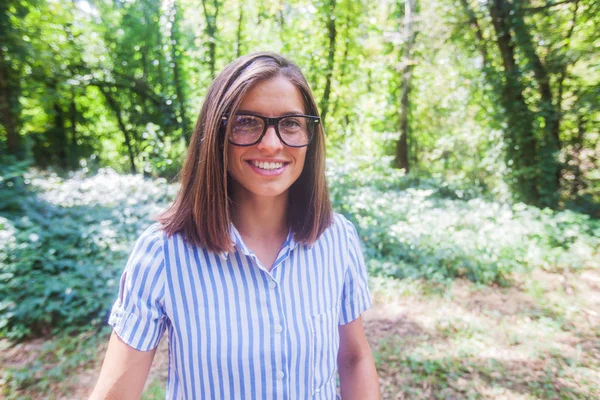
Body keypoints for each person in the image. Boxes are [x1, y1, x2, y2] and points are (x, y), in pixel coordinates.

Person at [90, 52, 379, 400]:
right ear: (217, 134)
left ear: (310, 136)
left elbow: (353, 357)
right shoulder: (163, 254)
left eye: (290, 123)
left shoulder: (337, 238)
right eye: (246, 122)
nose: (271, 143)